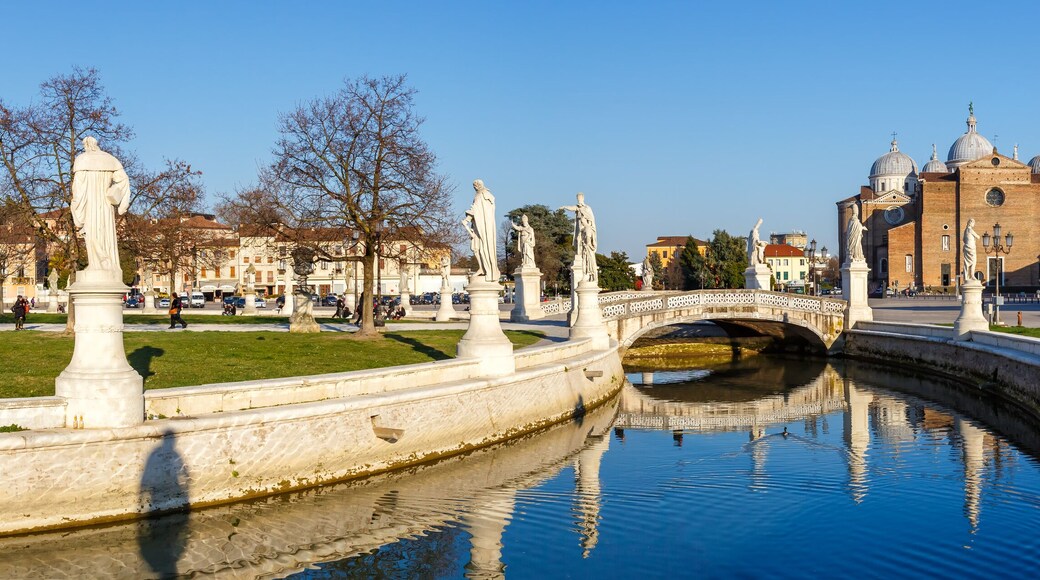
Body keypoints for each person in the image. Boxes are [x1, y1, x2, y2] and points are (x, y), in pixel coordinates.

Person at [462, 179, 500, 283]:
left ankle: (487, 269)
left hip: (483, 226)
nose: (474, 188)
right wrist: (469, 219)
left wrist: (468, 218)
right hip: (477, 226)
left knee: (483, 247)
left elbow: (479, 210)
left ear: (479, 185)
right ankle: (482, 268)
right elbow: (476, 209)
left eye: (475, 186)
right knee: (475, 248)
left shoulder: (484, 195)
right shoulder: (479, 195)